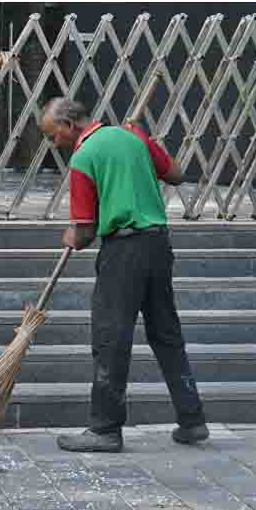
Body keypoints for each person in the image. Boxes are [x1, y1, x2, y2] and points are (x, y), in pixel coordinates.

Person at [38, 97, 207, 453]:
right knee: (166, 333)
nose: (55, 144)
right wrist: (144, 142)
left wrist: (71, 236)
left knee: (110, 338)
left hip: (124, 252)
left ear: (69, 126)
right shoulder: (132, 137)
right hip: (159, 246)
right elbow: (176, 174)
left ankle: (105, 429)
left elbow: (83, 233)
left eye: (53, 136)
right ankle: (192, 420)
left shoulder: (83, 158)